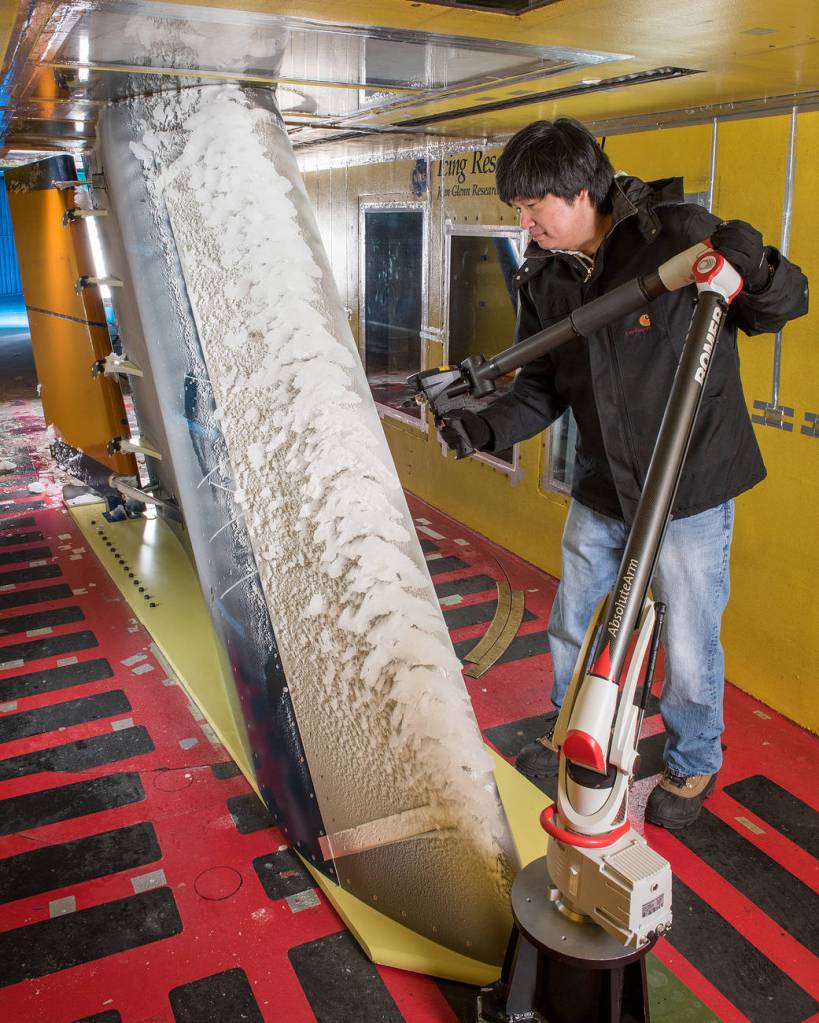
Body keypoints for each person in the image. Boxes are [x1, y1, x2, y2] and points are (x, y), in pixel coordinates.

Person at [439, 118, 808, 829]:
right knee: (575, 621)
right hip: (604, 484)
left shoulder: (676, 236)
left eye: (532, 205)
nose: (524, 221)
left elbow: (779, 305)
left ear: (581, 191)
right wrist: (485, 427)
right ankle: (575, 736)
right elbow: (540, 385)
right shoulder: (543, 274)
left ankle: (692, 760)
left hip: (689, 485)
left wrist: (756, 264)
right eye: (516, 208)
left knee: (690, 637)